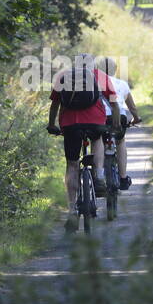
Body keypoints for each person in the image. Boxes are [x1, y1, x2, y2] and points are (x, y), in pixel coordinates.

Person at [48, 53, 120, 231]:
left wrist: (51, 125)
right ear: (92, 65)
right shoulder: (100, 76)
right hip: (95, 122)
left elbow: (55, 104)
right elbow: (114, 103)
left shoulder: (63, 76)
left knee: (72, 164)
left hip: (70, 125)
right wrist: (116, 125)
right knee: (97, 140)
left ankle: (72, 211)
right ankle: (100, 176)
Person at [95, 56, 141, 189]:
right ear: (115, 69)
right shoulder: (122, 84)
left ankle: (98, 175)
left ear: (98, 69)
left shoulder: (95, 82)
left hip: (100, 117)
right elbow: (132, 107)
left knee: (97, 140)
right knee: (120, 142)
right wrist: (136, 118)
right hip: (118, 117)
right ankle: (123, 178)